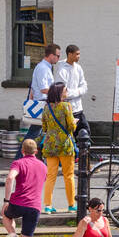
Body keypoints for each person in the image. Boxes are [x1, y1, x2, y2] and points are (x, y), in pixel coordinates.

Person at [1, 138, 47, 237]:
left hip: (18, 203)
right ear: (36, 151)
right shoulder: (43, 166)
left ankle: (13, 236)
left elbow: (10, 178)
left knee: (5, 214)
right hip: (35, 207)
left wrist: (6, 201)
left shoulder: (18, 163)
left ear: (22, 151)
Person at [40, 81, 77, 213]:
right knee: (69, 175)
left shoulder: (46, 108)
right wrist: (74, 123)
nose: (67, 92)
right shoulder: (66, 106)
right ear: (60, 92)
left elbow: (44, 127)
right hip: (65, 145)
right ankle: (72, 204)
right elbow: (71, 127)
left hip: (50, 145)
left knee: (51, 176)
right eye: (65, 90)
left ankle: (48, 205)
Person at [23, 43, 60, 144]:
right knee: (33, 134)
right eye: (58, 56)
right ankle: (21, 157)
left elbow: (33, 87)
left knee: (36, 133)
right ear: (51, 55)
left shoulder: (44, 67)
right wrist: (59, 93)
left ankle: (26, 156)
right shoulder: (43, 68)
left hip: (41, 103)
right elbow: (43, 89)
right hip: (41, 104)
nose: (58, 58)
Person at [53, 44, 90, 138]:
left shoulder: (78, 68)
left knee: (86, 133)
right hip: (68, 110)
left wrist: (74, 92)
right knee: (70, 136)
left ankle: (83, 152)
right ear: (70, 54)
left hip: (79, 109)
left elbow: (84, 86)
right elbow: (62, 92)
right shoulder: (62, 70)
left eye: (79, 54)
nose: (79, 56)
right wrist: (78, 92)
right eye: (77, 54)